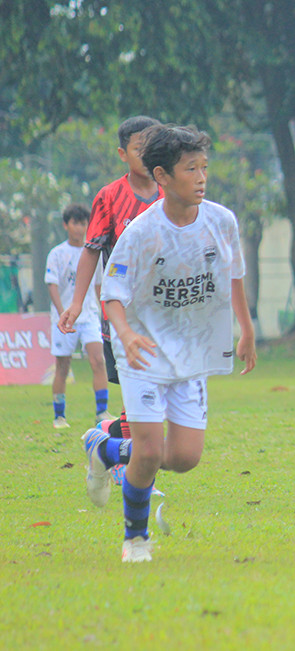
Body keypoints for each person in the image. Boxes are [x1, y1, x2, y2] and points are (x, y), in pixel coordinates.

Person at [80, 124, 257, 562]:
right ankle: (136, 540)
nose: (201, 177)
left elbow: (233, 275)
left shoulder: (221, 220)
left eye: (204, 168)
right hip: (142, 349)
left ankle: (103, 447)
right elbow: (112, 294)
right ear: (161, 176)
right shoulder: (141, 233)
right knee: (150, 450)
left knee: (183, 458)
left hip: (192, 350)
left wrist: (246, 329)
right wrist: (124, 334)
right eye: (190, 169)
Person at [58, 115, 163, 446]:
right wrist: (76, 303)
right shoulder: (110, 196)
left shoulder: (171, 192)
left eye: (153, 147)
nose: (146, 155)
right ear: (123, 154)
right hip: (125, 313)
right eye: (138, 148)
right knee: (140, 391)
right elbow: (91, 250)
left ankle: (106, 440)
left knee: (154, 396)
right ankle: (125, 463)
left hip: (165, 311)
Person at [44, 203, 114, 429]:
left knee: (98, 360)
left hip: (89, 317)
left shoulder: (92, 251)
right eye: (76, 222)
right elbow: (52, 285)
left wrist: (104, 314)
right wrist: (63, 312)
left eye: (84, 223)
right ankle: (59, 416)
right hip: (64, 319)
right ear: (66, 225)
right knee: (63, 366)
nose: (80, 227)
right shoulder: (57, 253)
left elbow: (98, 286)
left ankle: (101, 412)